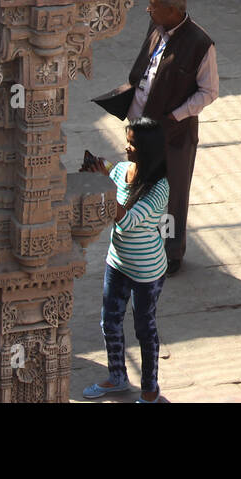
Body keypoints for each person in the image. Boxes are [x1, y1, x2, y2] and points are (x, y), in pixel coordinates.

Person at [96, 0, 218, 276]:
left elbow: (209, 92)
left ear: (173, 11)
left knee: (171, 192)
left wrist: (176, 116)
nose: (148, 10)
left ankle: (171, 253)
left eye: (154, 6)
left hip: (173, 133)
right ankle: (136, 242)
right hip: (141, 128)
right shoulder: (156, 27)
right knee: (138, 184)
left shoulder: (201, 44)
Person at [81, 118, 171, 403]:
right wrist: (99, 169)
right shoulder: (123, 170)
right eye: (128, 140)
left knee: (144, 329)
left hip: (147, 272)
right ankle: (117, 377)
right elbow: (111, 169)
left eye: (132, 143)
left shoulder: (159, 188)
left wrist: (104, 192)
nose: (127, 147)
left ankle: (150, 389)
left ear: (147, 149)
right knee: (109, 322)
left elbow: (128, 221)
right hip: (117, 263)